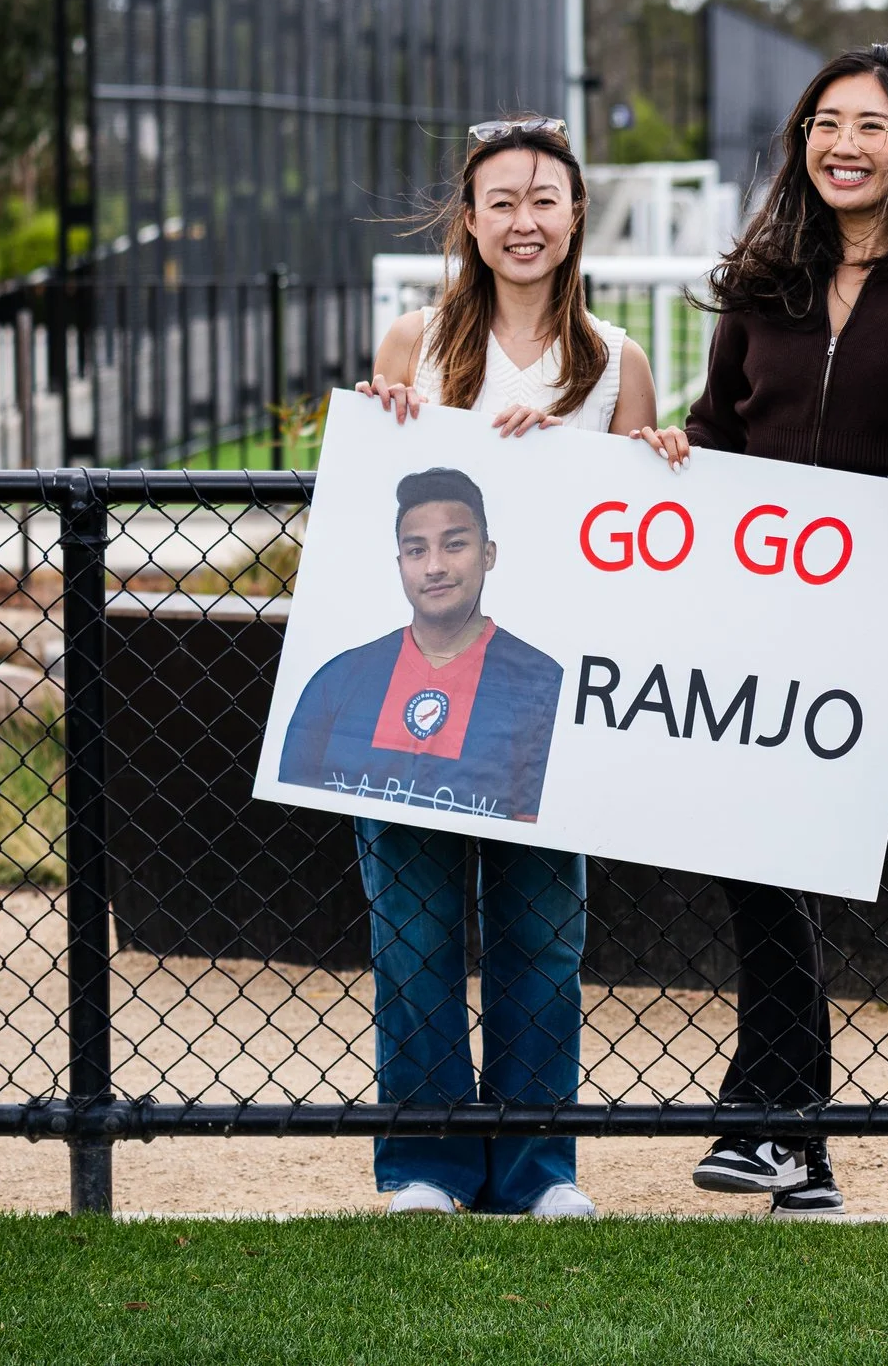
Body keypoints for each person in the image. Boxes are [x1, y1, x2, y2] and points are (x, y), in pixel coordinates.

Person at [673, 44, 888, 1216]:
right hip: (757, 627)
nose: (842, 144)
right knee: (761, 865)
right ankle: (785, 1128)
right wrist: (670, 458)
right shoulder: (762, 290)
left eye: (869, 125)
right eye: (823, 123)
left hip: (887, 626)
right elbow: (715, 434)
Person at [350, 113, 670, 1220]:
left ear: (576, 213)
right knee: (417, 931)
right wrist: (382, 417)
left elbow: (640, 536)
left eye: (545, 199)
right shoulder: (413, 343)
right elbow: (362, 508)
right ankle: (427, 1163)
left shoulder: (614, 358)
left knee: (541, 932)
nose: (524, 220)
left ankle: (540, 1167)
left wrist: (658, 456)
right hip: (418, 695)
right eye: (502, 201)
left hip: (545, 704)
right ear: (471, 220)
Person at [278, 468, 562, 823]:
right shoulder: (336, 682)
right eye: (416, 550)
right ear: (400, 564)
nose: (434, 566)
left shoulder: (544, 683)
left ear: (488, 554)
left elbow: (541, 840)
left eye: (455, 544)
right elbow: (297, 820)